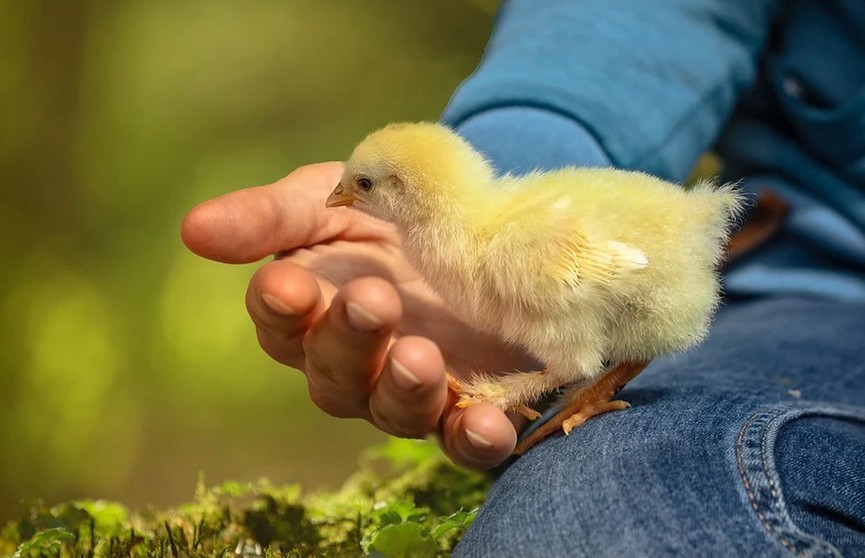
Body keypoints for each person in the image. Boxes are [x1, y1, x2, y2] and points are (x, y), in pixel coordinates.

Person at [182, 1, 865, 555]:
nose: (344, 196)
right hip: (814, 281)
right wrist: (529, 140)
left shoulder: (502, 241)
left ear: (409, 192)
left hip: (658, 271)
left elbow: (614, 261)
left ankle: (566, 393)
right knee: (597, 513)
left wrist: (512, 386)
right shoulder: (470, 232)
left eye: (360, 186)